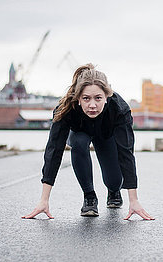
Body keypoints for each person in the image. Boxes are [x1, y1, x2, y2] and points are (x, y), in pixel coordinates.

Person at [23, 64, 154, 220]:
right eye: (86, 98)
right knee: (78, 143)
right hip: (80, 133)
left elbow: (126, 153)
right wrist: (43, 200)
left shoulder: (119, 109)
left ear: (107, 96)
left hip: (106, 135)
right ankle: (89, 197)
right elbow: (54, 150)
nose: (92, 105)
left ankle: (113, 191)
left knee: (114, 181)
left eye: (98, 98)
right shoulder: (65, 108)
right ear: (78, 98)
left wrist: (134, 200)